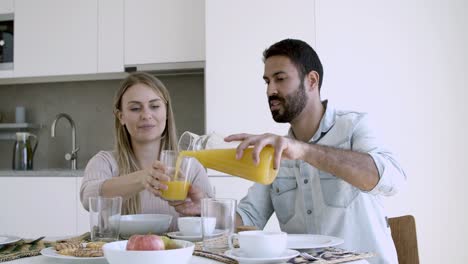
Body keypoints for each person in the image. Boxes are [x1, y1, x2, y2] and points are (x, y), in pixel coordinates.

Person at [223, 39, 406, 264]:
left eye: (280, 79)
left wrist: (304, 151)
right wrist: (202, 207)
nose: (271, 90)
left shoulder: (354, 127)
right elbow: (248, 218)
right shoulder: (275, 151)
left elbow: (392, 180)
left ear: (311, 81)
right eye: (267, 81)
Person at [80, 72, 213, 230]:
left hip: (175, 254)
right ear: (121, 116)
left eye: (155, 106)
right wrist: (142, 178)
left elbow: (216, 225)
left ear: (166, 112)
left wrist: (201, 210)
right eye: (135, 108)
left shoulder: (190, 167)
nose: (146, 115)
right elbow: (89, 198)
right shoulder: (104, 162)